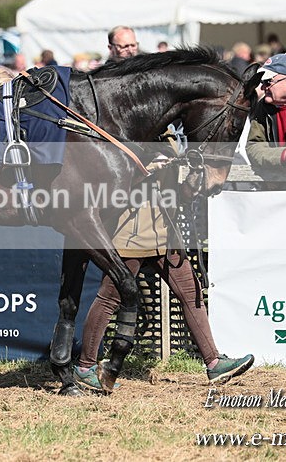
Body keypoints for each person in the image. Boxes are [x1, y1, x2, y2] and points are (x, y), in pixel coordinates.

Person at [75, 157, 254, 388]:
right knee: (110, 297)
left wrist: (191, 184)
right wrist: (146, 168)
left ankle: (214, 363)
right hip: (130, 235)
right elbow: (112, 184)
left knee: (191, 292)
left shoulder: (169, 141)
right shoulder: (130, 141)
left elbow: (176, 195)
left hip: (164, 234)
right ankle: (84, 367)